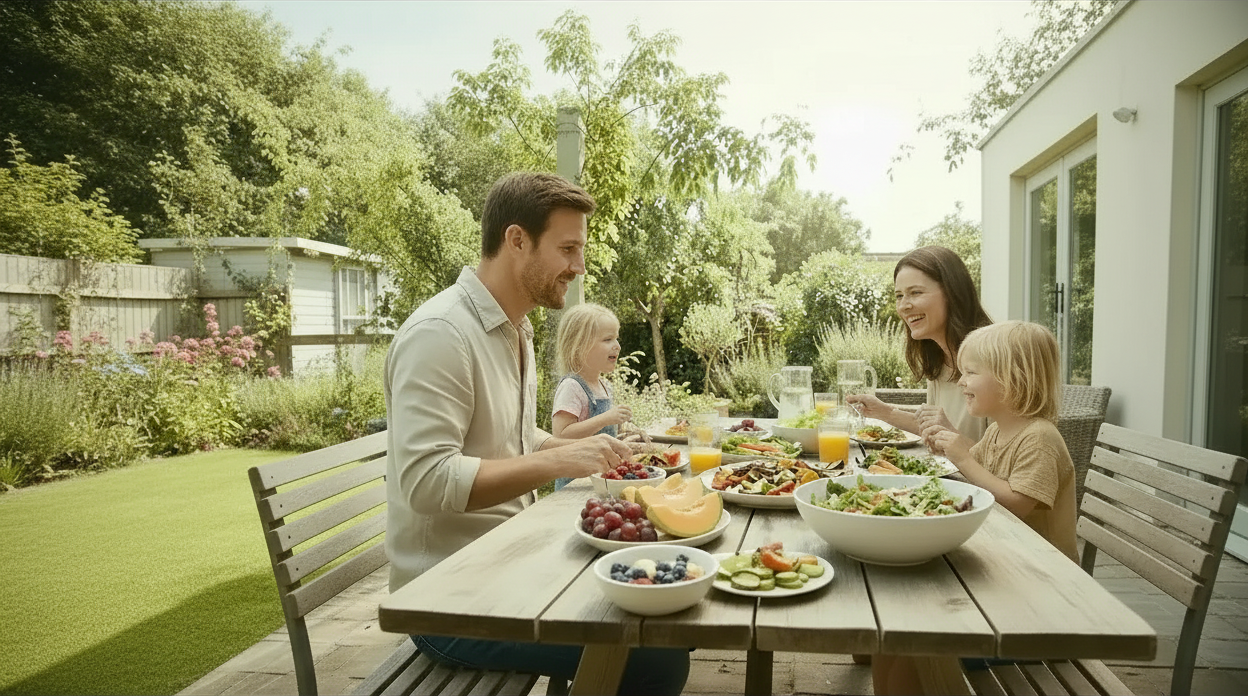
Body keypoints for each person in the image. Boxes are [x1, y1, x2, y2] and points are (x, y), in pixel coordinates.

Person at [384, 172, 689, 694]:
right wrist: (560, 461)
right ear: (516, 240)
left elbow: (514, 434)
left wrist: (581, 448)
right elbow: (427, 481)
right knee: (656, 658)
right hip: (447, 601)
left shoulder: (513, 328)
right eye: (568, 247)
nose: (578, 265)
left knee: (668, 601)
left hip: (509, 562)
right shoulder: (441, 335)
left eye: (581, 248)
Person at [873, 320, 1078, 696]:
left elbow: (1016, 503)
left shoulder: (1040, 439)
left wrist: (964, 459)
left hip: (1041, 596)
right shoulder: (1000, 430)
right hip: (1006, 570)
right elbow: (974, 475)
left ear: (1012, 378)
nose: (962, 381)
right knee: (889, 633)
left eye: (971, 373)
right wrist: (948, 449)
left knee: (910, 639)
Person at [847, 245, 993, 443]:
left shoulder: (993, 360)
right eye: (899, 296)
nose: (904, 306)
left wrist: (950, 439)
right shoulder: (938, 360)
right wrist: (885, 412)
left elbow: (1005, 461)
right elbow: (937, 429)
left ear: (952, 293)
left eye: (915, 292)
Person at [550, 302, 633, 489]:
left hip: (602, 477)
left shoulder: (605, 386)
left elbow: (604, 433)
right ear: (580, 346)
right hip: (575, 483)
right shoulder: (572, 387)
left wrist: (626, 433)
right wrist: (606, 418)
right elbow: (561, 435)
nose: (617, 346)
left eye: (617, 339)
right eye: (608, 339)